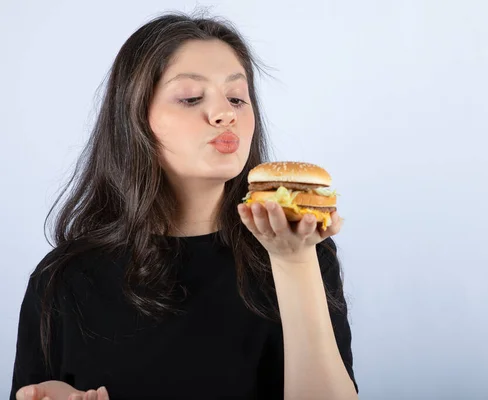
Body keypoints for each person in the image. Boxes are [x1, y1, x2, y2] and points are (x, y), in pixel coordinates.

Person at [10, 11, 358, 400]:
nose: (225, 113)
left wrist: (295, 265)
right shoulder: (64, 278)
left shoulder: (303, 250)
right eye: (191, 98)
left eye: (237, 98)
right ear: (135, 119)